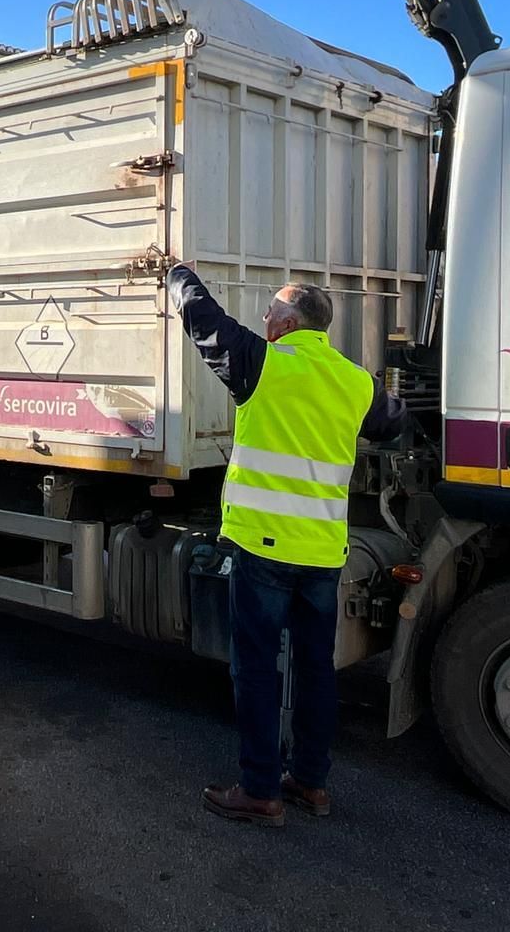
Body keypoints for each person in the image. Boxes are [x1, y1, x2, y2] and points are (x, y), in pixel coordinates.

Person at [167, 264, 406, 826]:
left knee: (256, 670)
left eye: (272, 310)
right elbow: (393, 423)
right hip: (323, 552)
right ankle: (311, 782)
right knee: (316, 669)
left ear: (291, 322)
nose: (264, 316)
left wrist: (176, 274)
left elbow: (204, 320)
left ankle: (259, 790)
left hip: (265, 551)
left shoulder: (264, 364)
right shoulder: (354, 382)